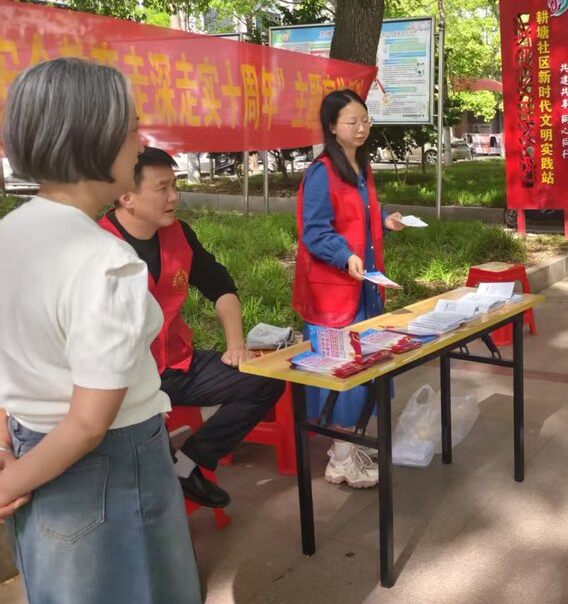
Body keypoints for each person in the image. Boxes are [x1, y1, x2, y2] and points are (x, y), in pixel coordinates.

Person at [0, 58, 204, 604]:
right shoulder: (106, 260)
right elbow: (90, 422)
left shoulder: (9, 235)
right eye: (132, 128)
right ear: (97, 138)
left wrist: (7, 459)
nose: (139, 144)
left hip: (30, 450)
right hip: (112, 466)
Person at [99, 147, 285, 509]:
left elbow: (221, 288)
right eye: (162, 188)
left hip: (179, 365)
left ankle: (188, 464)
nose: (174, 197)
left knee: (264, 379)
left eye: (175, 185)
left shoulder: (179, 234)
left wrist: (236, 346)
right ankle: (156, 483)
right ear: (126, 196)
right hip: (126, 381)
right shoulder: (98, 245)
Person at [292, 89, 405, 489]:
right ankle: (340, 460)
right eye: (352, 121)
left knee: (366, 365)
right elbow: (314, 231)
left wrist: (386, 219)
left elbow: (361, 213)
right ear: (332, 126)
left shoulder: (360, 166)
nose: (361, 128)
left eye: (365, 120)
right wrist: (344, 255)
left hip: (364, 286)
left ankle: (350, 444)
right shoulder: (322, 172)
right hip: (334, 292)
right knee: (342, 371)